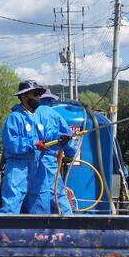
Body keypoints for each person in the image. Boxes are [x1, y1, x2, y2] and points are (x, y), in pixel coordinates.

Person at [0, 80, 70, 214]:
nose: (38, 97)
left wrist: (60, 138)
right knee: (12, 206)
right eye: (36, 94)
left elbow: (49, 134)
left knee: (41, 207)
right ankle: (4, 234)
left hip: (39, 168)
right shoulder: (14, 118)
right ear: (24, 96)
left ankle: (39, 235)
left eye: (39, 95)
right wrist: (33, 144)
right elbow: (11, 143)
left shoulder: (41, 118)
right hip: (18, 168)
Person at [36, 86, 76, 214]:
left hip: (28, 162)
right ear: (50, 99)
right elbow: (67, 138)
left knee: (35, 197)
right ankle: (69, 227)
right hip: (48, 160)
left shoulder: (25, 114)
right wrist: (70, 154)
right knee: (57, 195)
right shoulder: (55, 115)